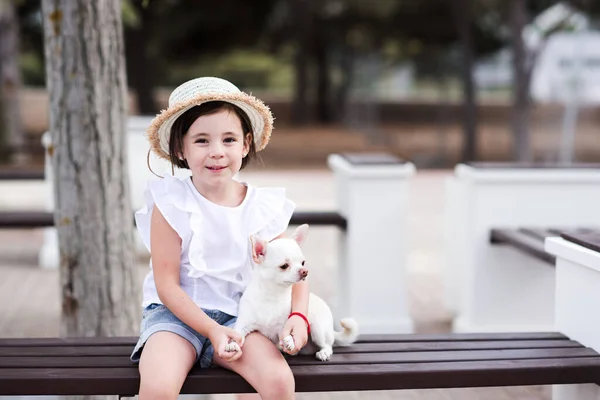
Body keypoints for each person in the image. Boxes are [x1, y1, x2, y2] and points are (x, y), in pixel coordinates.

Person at [130, 77, 310, 400]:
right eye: (201, 141)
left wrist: (299, 316)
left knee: (279, 382)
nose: (217, 152)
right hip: (176, 318)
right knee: (157, 387)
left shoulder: (262, 207)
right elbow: (167, 284)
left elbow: (292, 264)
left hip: (241, 318)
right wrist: (211, 330)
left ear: (245, 144)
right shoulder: (171, 202)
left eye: (229, 139)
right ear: (179, 148)